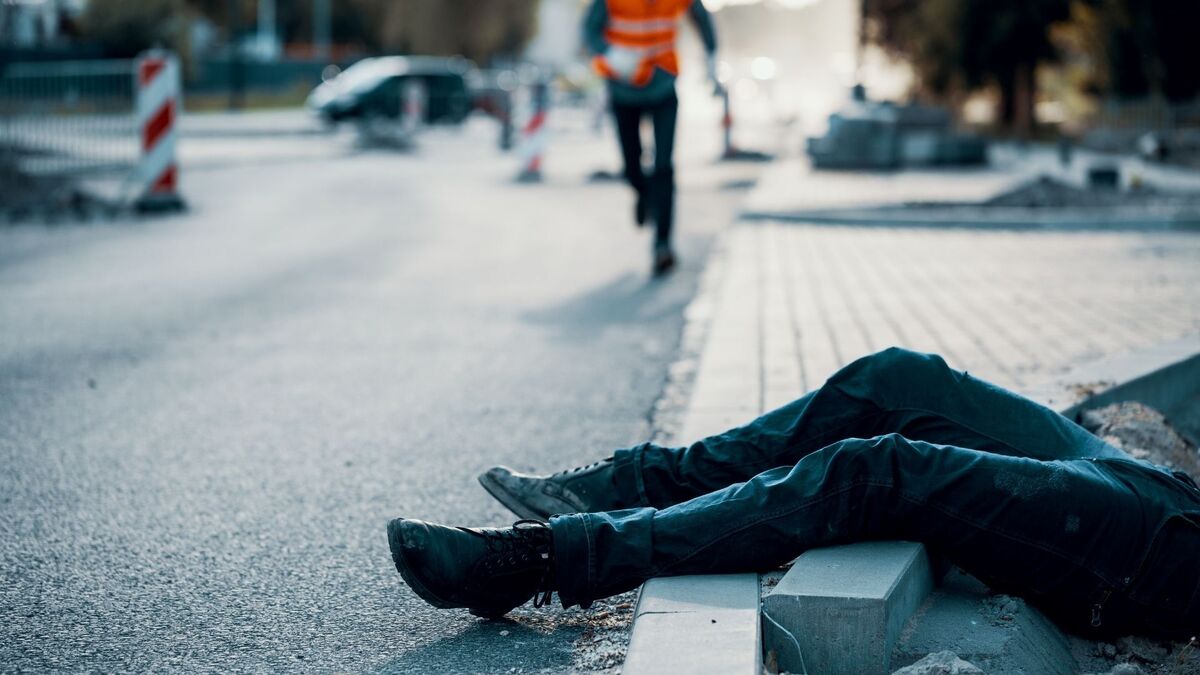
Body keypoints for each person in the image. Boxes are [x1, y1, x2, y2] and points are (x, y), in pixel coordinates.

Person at [386, 348, 1200, 640]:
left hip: (1168, 553)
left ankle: (544, 557)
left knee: (872, 471)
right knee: (895, 377)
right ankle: (620, 483)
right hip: (1154, 481)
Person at [584, 0, 720, 276]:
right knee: (631, 166)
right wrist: (610, 52)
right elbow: (589, 29)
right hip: (624, 89)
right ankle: (644, 194)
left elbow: (701, 18)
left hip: (663, 86)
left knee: (663, 167)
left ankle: (663, 246)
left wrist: (711, 57)